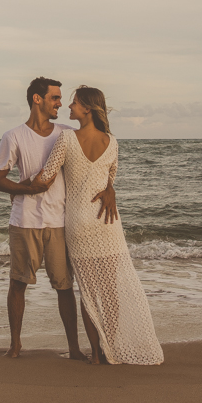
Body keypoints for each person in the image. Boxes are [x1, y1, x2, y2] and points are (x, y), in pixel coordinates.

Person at [31, 86, 163, 365]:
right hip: (107, 222)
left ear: (87, 109)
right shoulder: (111, 142)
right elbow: (109, 180)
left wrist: (18, 188)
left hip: (79, 224)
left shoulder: (67, 138)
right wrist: (110, 190)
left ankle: (96, 353)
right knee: (111, 291)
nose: (69, 107)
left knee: (88, 293)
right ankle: (110, 346)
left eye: (74, 103)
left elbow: (46, 177)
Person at [0, 77, 117, 359]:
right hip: (24, 221)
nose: (60, 103)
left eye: (62, 99)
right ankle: (15, 345)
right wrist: (26, 189)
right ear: (37, 99)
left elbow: (95, 167)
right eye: (55, 98)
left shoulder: (67, 133)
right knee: (18, 283)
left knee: (65, 286)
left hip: (60, 222)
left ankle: (74, 348)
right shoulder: (13, 136)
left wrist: (111, 189)